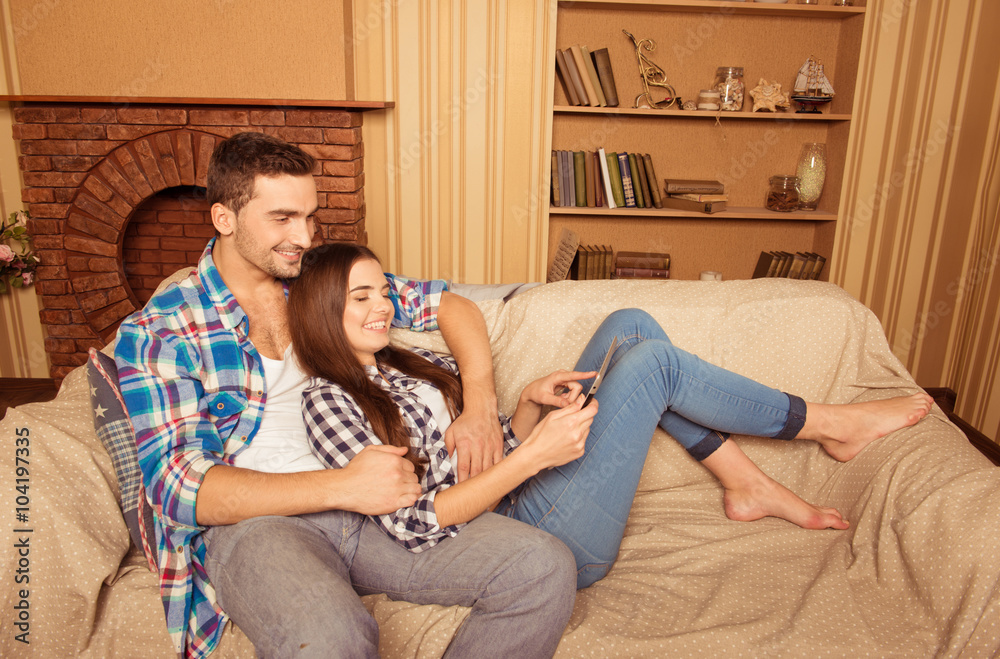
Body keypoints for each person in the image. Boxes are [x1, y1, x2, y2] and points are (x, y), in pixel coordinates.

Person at [115, 132, 577, 659]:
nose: (303, 236)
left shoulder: (316, 279)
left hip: (378, 511)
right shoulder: (162, 331)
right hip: (265, 528)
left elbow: (453, 307)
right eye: (282, 218)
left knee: (542, 568)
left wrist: (478, 408)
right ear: (224, 219)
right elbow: (180, 489)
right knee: (332, 638)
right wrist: (343, 485)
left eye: (310, 217)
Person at [289, 242, 935, 588]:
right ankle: (826, 423)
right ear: (322, 311)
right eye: (362, 296)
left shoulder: (398, 362)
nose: (383, 306)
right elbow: (417, 519)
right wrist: (533, 454)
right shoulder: (329, 398)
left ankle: (744, 484)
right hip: (525, 535)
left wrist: (524, 409)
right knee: (654, 364)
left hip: (522, 489)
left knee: (632, 326)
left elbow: (471, 455)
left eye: (383, 291)